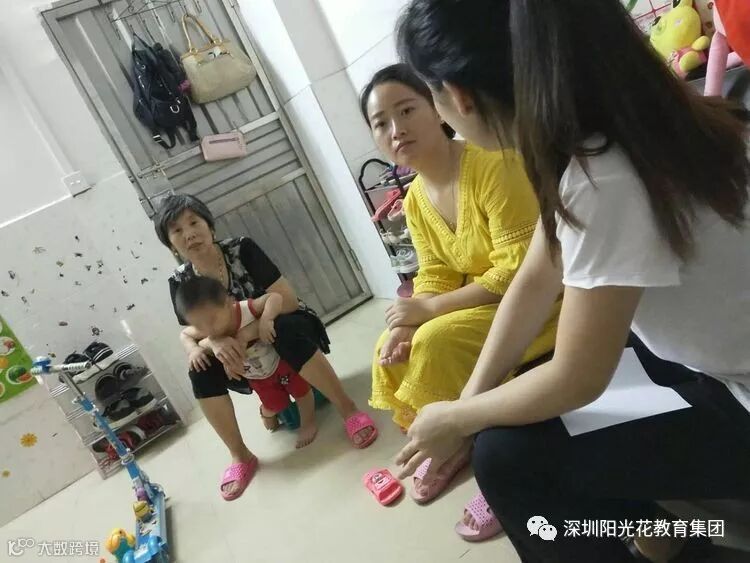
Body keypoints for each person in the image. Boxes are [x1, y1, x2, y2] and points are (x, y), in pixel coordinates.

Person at [394, 1, 750, 561]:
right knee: (524, 399)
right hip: (719, 363)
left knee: (508, 457)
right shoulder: (621, 126)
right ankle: (669, 537)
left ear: (457, 97)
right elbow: (536, 278)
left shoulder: (600, 178)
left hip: (737, 394)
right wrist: (470, 401)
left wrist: (459, 417)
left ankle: (680, 545)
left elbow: (577, 377)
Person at [361, 64, 560, 540]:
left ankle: (479, 452)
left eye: (406, 110)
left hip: (542, 303)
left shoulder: (492, 164)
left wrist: (429, 311)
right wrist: (407, 322)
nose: (396, 129)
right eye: (381, 122)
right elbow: (435, 272)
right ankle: (454, 439)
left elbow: (519, 271)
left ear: (438, 108)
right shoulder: (414, 199)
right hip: (484, 300)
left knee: (437, 342)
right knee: (393, 347)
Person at [155, 194, 378, 501]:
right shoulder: (180, 281)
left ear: (210, 226)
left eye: (194, 222)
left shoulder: (241, 249)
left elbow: (286, 300)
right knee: (199, 369)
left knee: (284, 330)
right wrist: (215, 342)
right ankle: (241, 455)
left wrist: (243, 335)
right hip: (241, 354)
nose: (189, 233)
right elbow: (194, 332)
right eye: (177, 230)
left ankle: (347, 409)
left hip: (278, 323)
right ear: (170, 244)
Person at [174, 277, 318, 449]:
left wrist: (266, 319)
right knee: (276, 404)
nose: (208, 330)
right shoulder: (207, 327)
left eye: (212, 320)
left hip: (280, 362)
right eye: (199, 325)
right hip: (257, 377)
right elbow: (185, 334)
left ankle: (308, 423)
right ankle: (266, 412)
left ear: (229, 303)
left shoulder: (246, 309)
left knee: (302, 392)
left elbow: (274, 297)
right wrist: (193, 349)